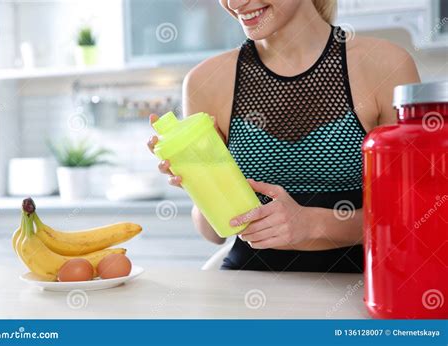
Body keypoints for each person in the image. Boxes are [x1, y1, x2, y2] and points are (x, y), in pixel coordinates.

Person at [148, 0, 420, 272]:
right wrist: (200, 181)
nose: (235, 3)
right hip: (247, 287)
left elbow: (412, 218)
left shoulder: (386, 65)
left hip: (363, 287)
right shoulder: (206, 80)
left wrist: (312, 223)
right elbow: (214, 233)